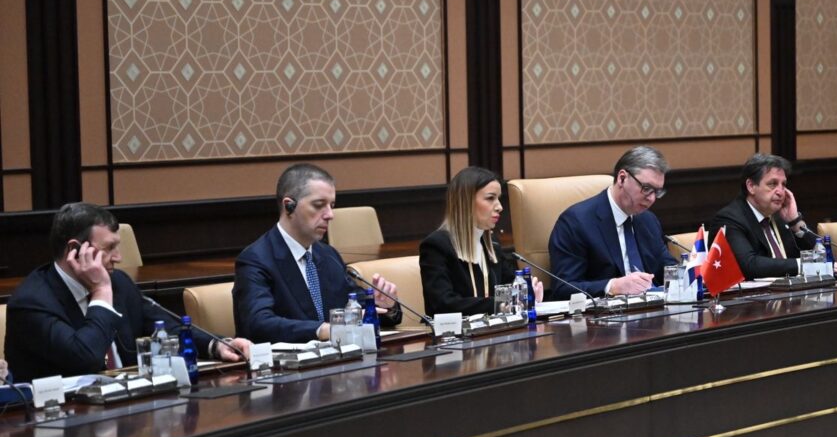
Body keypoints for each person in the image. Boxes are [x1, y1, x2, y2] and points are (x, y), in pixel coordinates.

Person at [4, 203, 252, 382]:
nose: (119, 258)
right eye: (109, 248)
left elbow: (166, 326)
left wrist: (217, 345)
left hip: (127, 414)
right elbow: (85, 359)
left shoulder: (119, 283)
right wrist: (101, 292)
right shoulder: (31, 303)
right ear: (75, 250)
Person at [233, 164, 401, 343]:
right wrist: (322, 330)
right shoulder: (256, 259)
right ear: (289, 206)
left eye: (332, 205)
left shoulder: (328, 255)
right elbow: (258, 324)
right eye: (319, 205)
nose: (330, 215)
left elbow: (357, 307)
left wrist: (384, 305)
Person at [547, 146, 677, 299]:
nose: (652, 198)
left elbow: (667, 269)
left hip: (653, 308)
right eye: (646, 188)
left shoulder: (648, 220)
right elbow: (563, 288)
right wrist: (612, 286)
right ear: (622, 178)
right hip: (605, 312)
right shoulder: (576, 222)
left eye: (657, 191)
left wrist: (691, 268)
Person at [420, 167, 543, 315]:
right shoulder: (437, 246)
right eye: (490, 198)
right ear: (466, 202)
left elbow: (510, 286)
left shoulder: (492, 245)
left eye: (498, 198)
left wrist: (526, 292)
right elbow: (443, 304)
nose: (500, 207)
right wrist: (502, 303)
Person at [710, 153, 837, 278]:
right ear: (751, 186)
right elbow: (750, 265)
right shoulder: (729, 219)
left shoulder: (779, 217)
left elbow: (824, 258)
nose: (781, 191)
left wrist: (795, 222)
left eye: (783, 185)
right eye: (773, 184)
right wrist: (804, 265)